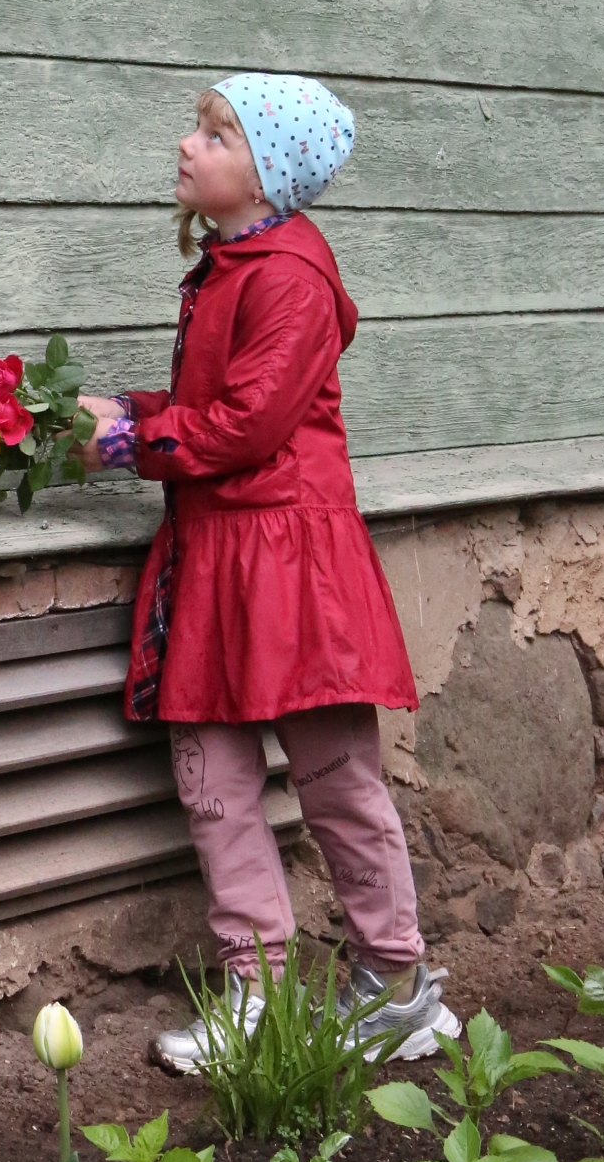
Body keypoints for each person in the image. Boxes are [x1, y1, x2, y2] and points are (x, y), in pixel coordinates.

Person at [78, 74, 456, 1075]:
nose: (187, 144)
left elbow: (248, 425)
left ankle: (396, 985)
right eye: (198, 128)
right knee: (214, 781)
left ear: (266, 176)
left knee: (336, 781)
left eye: (216, 135)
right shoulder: (232, 265)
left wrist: (131, 445)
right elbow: (218, 401)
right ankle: (258, 996)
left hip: (292, 566)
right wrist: (118, 412)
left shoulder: (290, 276)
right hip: (219, 557)